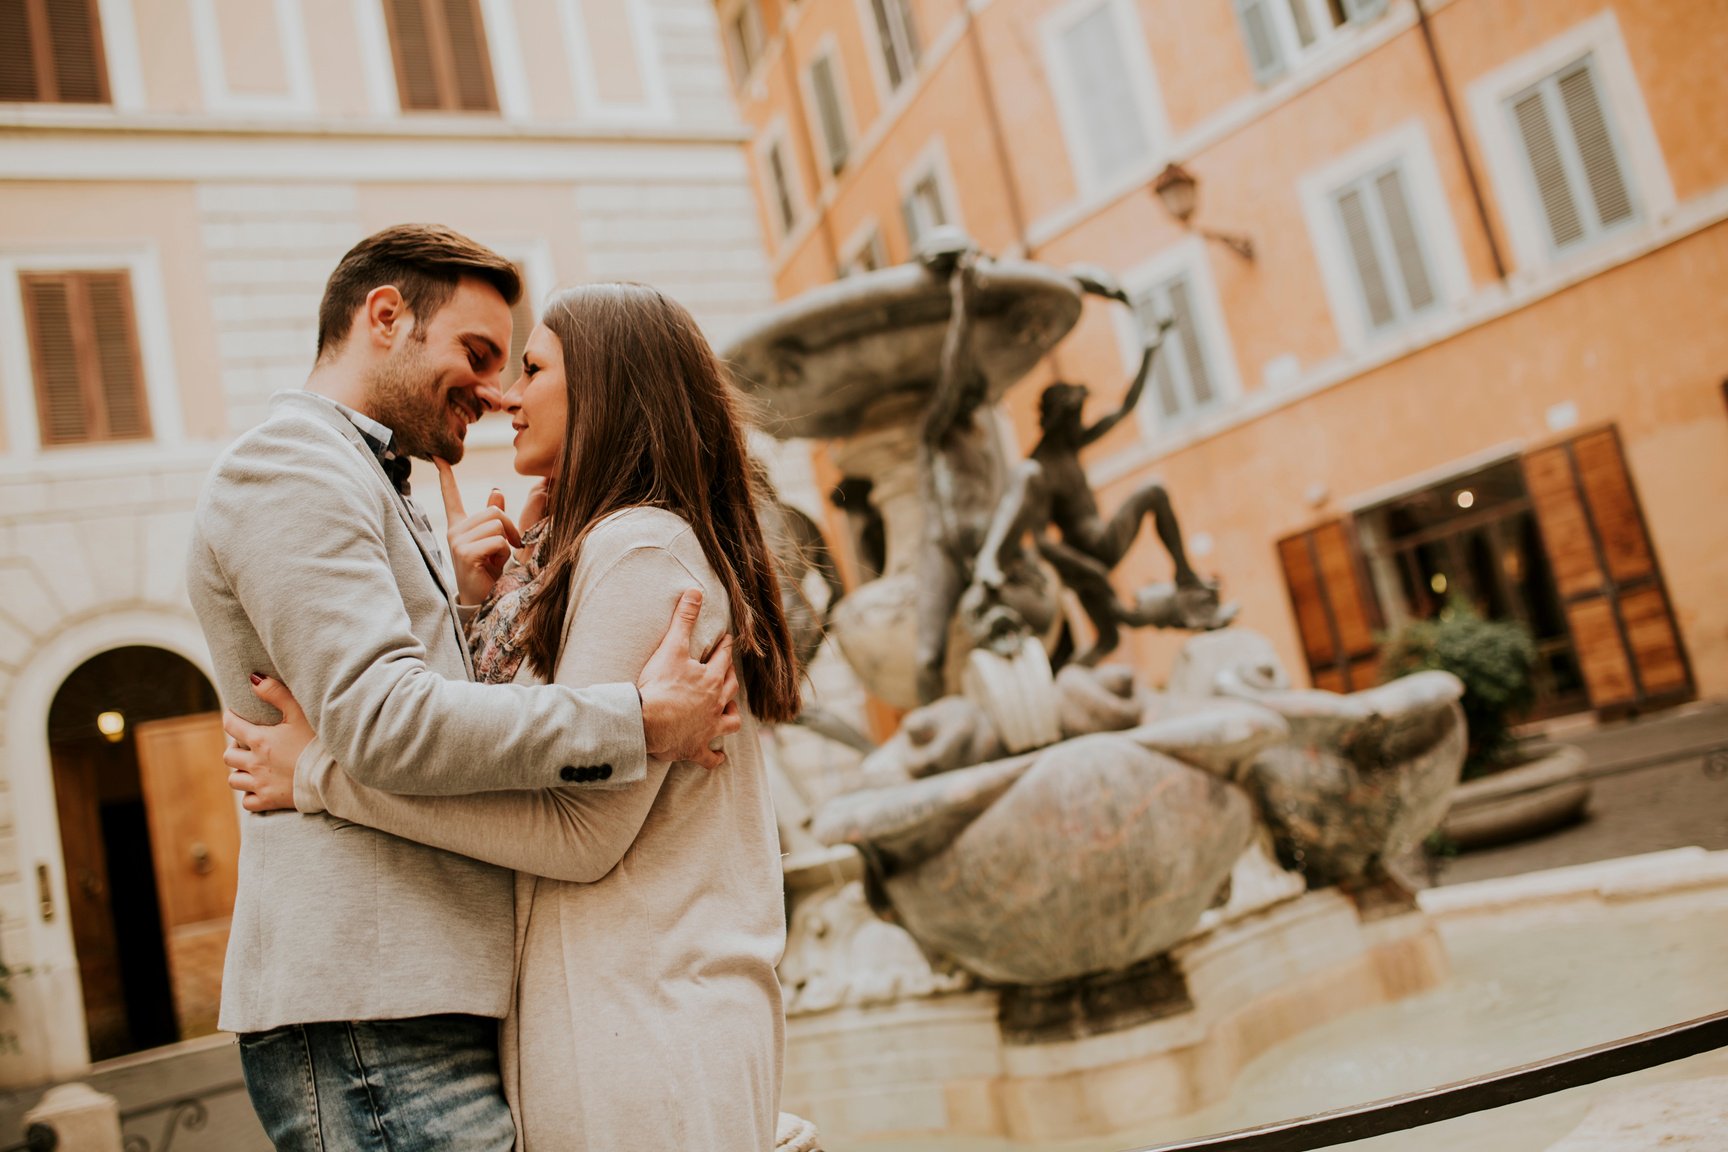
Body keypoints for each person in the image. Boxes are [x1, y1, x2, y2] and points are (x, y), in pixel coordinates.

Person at [186, 227, 739, 1151]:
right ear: (387, 316)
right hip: (371, 1006)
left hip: (414, 1002)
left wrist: (468, 596)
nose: (494, 392)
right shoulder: (291, 464)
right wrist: (637, 719)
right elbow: (386, 722)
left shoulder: (361, 475)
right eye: (478, 355)